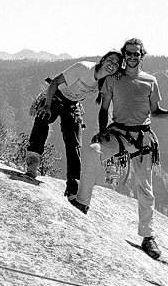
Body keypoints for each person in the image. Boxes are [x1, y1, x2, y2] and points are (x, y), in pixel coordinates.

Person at [70, 38, 168, 259]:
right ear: (125, 55)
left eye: (137, 53)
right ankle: (82, 202)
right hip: (118, 133)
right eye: (129, 53)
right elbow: (104, 108)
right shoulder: (114, 79)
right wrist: (102, 130)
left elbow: (155, 112)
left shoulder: (150, 81)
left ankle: (148, 236)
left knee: (145, 189)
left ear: (142, 56)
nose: (133, 56)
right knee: (93, 150)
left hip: (142, 137)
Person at [25, 51, 123, 200]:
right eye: (110, 60)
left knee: (74, 142)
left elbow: (104, 109)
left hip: (73, 104)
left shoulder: (106, 82)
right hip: (57, 96)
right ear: (103, 60)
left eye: (116, 64)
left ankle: (73, 187)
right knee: (42, 119)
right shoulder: (83, 68)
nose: (112, 65)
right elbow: (55, 82)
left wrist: (103, 131)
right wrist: (46, 105)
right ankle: (33, 162)